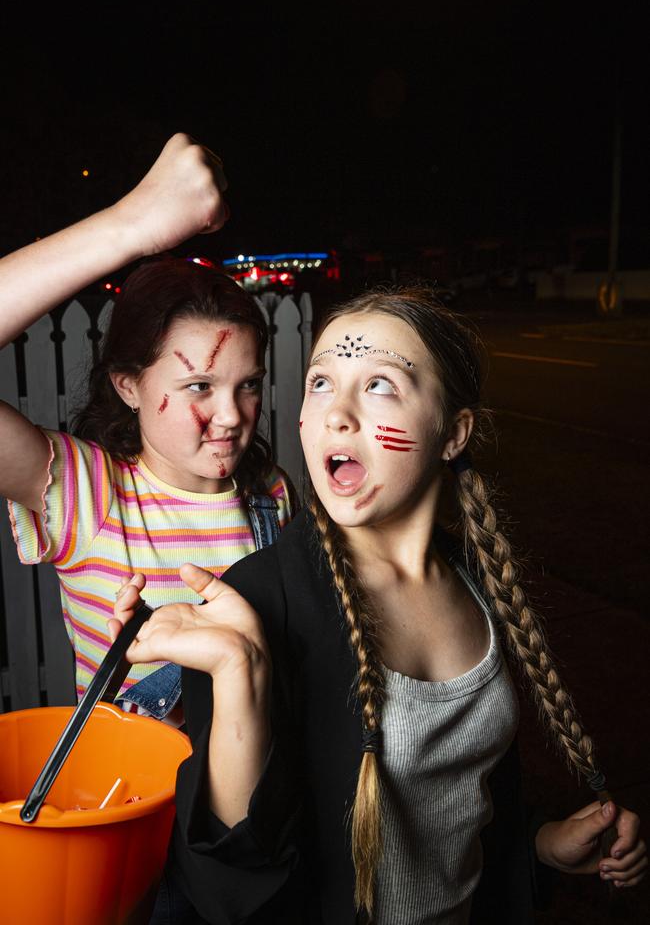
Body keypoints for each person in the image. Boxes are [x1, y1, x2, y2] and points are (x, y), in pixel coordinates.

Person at [112, 286, 646, 923]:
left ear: (453, 432)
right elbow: (231, 887)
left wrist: (540, 845)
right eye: (320, 382)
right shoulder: (255, 605)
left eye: (381, 386)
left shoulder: (481, 579)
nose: (337, 413)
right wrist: (239, 672)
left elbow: (463, 793)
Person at [0, 133, 296, 719]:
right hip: (137, 805)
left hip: (258, 806)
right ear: (128, 386)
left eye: (249, 384)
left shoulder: (272, 496)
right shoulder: (87, 496)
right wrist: (132, 223)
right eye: (199, 387)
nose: (234, 415)